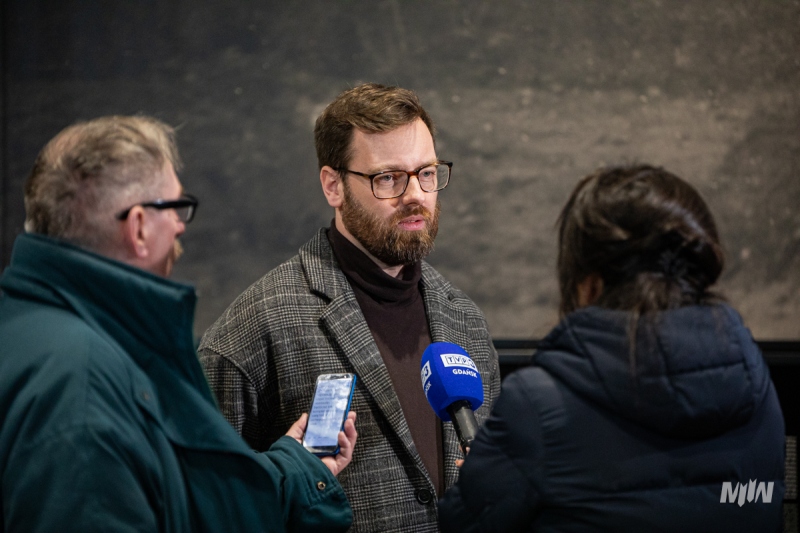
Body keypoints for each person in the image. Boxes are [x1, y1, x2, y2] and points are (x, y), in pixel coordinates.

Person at [0, 115, 357, 532]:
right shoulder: (83, 386)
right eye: (174, 207)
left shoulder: (35, 329)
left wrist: (298, 467)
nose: (180, 225)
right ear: (138, 227)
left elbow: (181, 500)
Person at [198, 83, 501, 532]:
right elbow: (207, 504)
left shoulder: (465, 321)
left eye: (426, 173)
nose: (415, 195)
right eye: (388, 178)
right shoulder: (256, 327)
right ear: (333, 185)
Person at [438, 164, 785, 532]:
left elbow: (463, 526)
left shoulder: (537, 405)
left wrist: (481, 478)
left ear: (589, 285)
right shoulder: (755, 381)